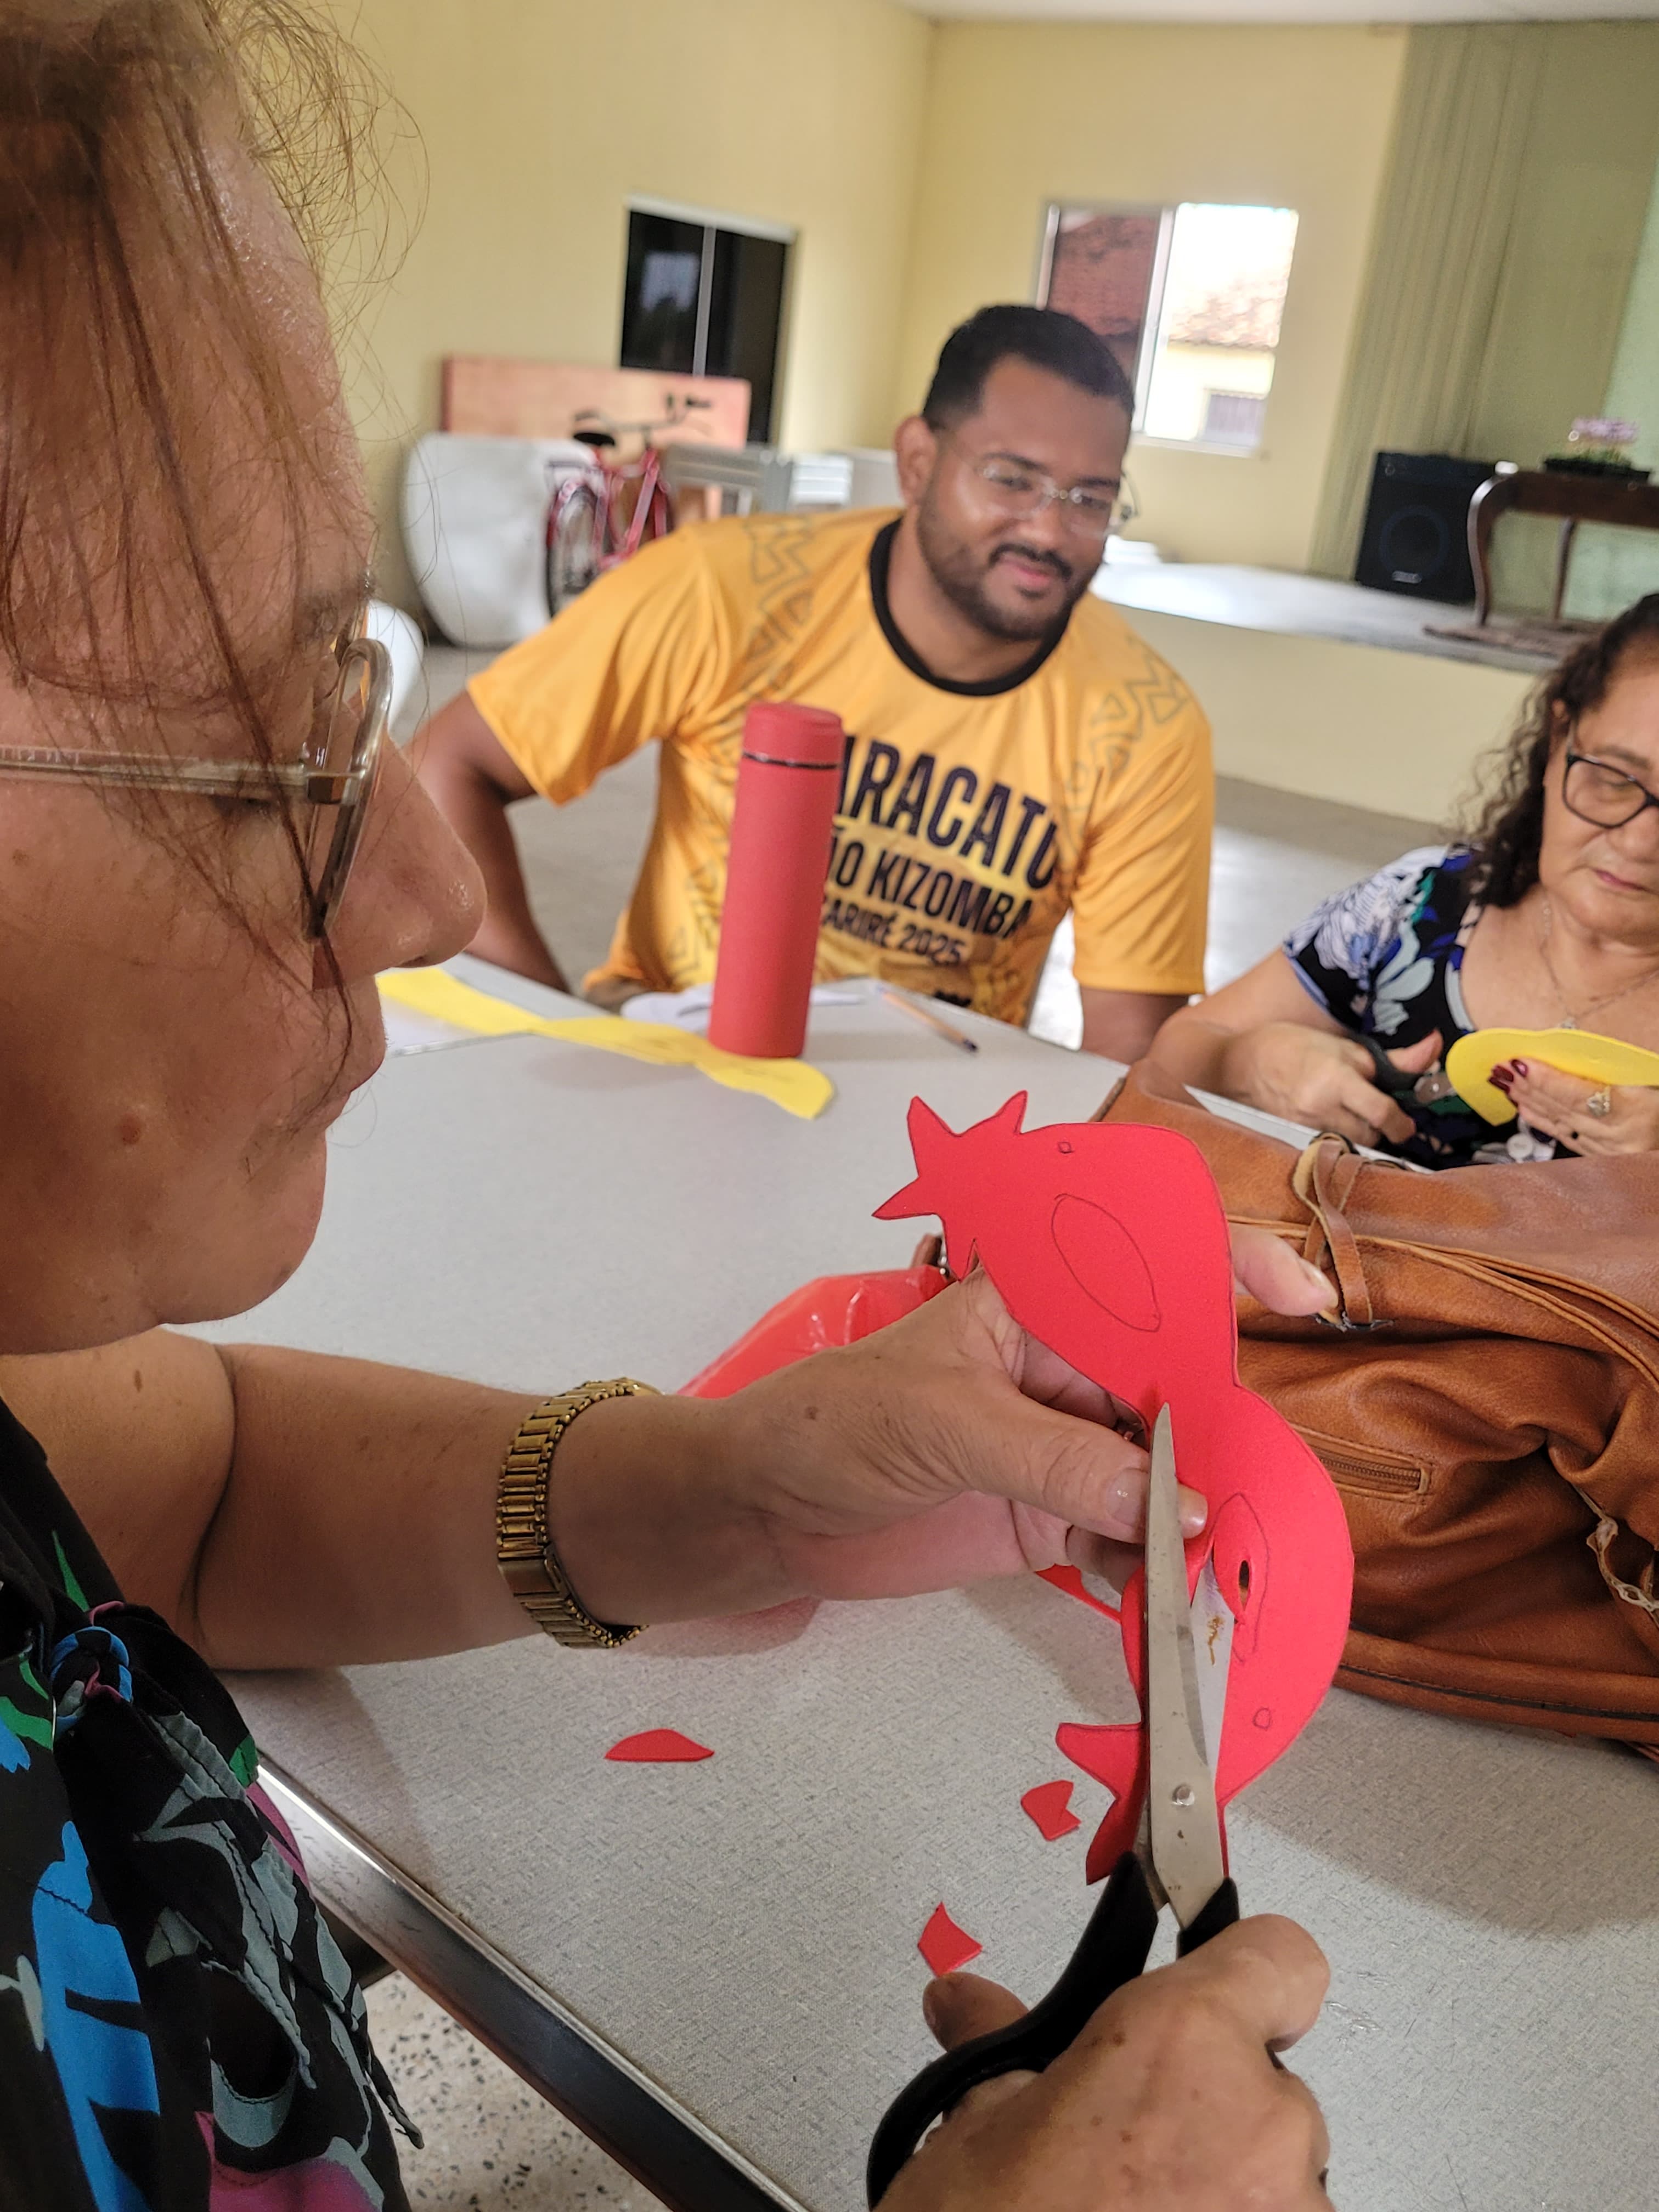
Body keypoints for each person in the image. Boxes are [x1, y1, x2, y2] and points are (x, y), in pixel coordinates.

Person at [0, 6, 1334, 2207]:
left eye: (360, 679)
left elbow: (197, 1485)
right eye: (274, 751)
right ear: (917, 460)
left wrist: (731, 1492)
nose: (423, 892)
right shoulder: (732, 595)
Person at [415, 307, 1214, 1064]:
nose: (1048, 530)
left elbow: (1129, 1051)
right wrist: (551, 1029)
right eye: (1011, 479)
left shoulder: (1144, 724)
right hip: (679, 1045)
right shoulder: (726, 589)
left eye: (1090, 499)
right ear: (918, 462)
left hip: (932, 1092)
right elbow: (447, 764)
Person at [1149, 596, 1659, 1167]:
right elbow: (1173, 1053)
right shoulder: (1412, 907)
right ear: (1559, 740)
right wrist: (1246, 1065)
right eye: (1614, 778)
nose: (1641, 841)